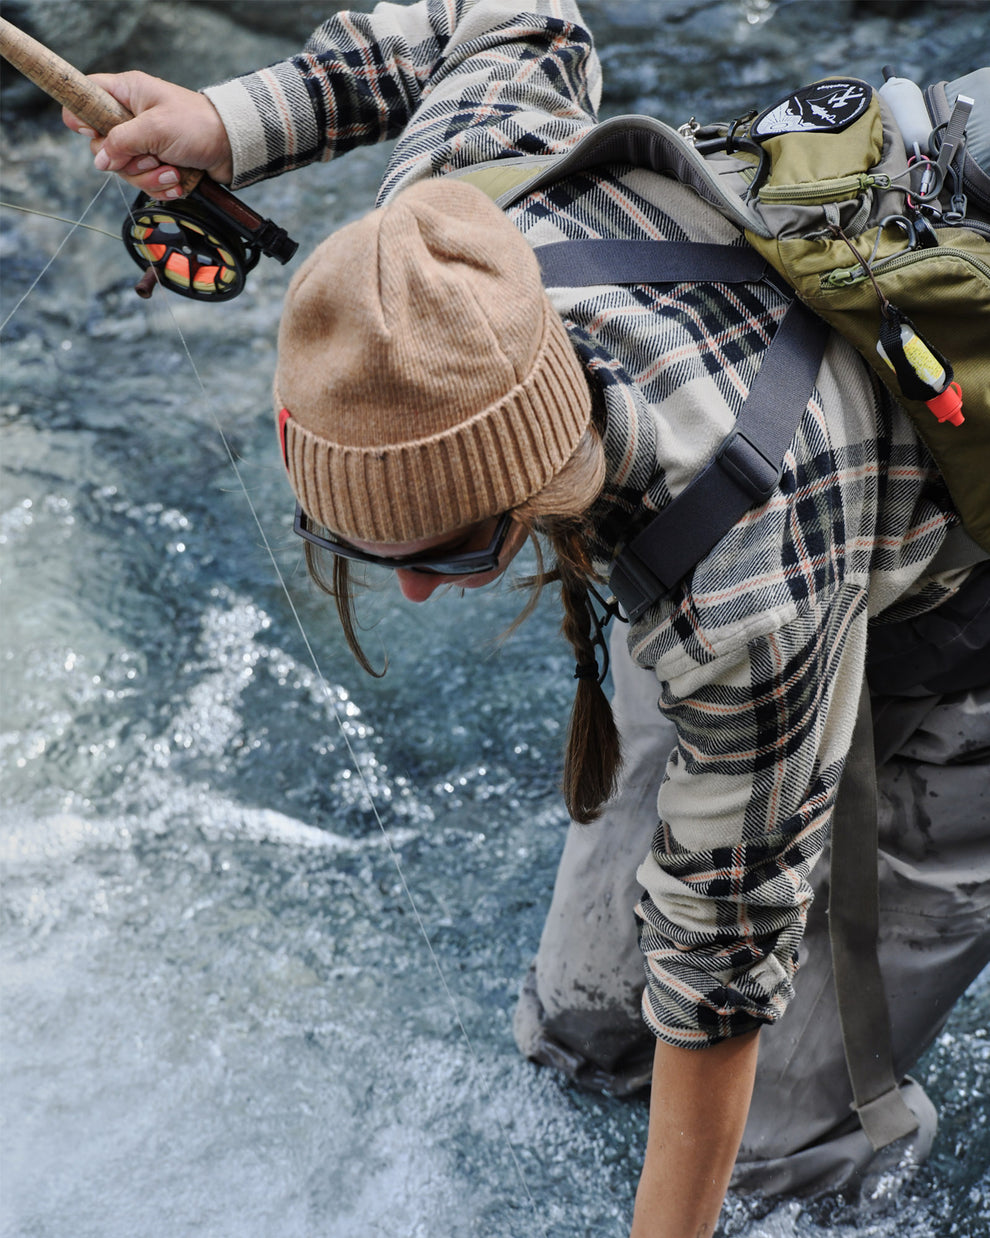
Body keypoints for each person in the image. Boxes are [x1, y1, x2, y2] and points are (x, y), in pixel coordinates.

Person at [63, 2, 990, 1234]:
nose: (403, 590)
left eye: (446, 550)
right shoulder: (449, 227)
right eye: (352, 542)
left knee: (782, 1157)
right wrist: (228, 120)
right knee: (583, 1031)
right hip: (744, 513)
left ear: (533, 482)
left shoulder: (739, 573)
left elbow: (723, 965)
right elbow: (502, 12)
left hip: (941, 613)